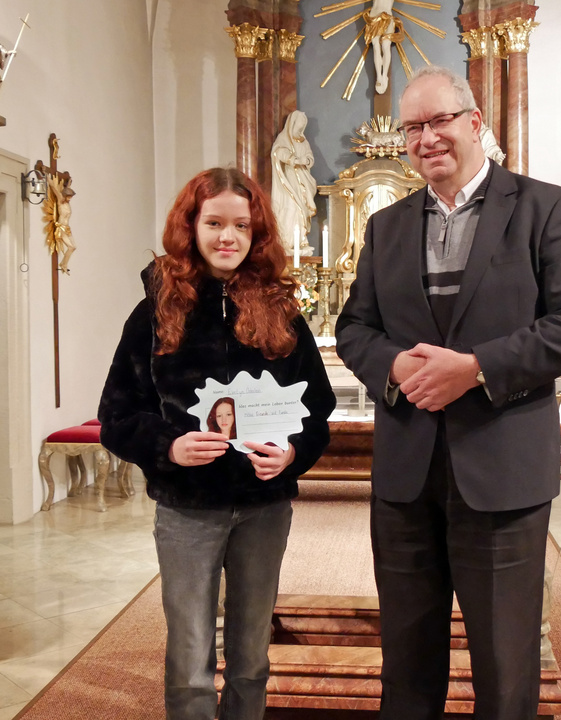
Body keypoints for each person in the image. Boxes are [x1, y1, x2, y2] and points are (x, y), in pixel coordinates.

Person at [335, 66, 561, 720]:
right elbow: (353, 328)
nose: (426, 138)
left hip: (501, 470)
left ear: (475, 122)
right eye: (412, 127)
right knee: (406, 661)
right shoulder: (388, 226)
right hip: (407, 477)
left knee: (505, 664)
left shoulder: (543, 207)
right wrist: (397, 367)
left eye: (439, 121)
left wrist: (477, 367)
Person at [98, 167, 336, 720]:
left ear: (257, 235)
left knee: (251, 655)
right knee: (189, 661)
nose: (227, 237)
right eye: (214, 223)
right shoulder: (157, 309)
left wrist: (294, 452)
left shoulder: (281, 311)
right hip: (188, 508)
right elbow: (115, 415)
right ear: (191, 226)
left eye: (241, 226)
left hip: (263, 506)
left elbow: (318, 410)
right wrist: (169, 447)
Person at [270, 110, 317, 256]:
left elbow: (309, 156)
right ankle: (286, 241)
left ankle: (300, 241)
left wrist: (307, 160)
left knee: (301, 210)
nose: (300, 129)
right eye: (298, 125)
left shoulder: (304, 142)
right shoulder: (284, 139)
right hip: (288, 180)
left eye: (302, 126)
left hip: (302, 181)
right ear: (292, 124)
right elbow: (278, 152)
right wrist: (295, 160)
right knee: (290, 208)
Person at [363, 0, 403, 95]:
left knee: (385, 46)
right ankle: (379, 77)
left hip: (385, 15)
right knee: (377, 46)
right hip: (375, 16)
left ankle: (384, 75)